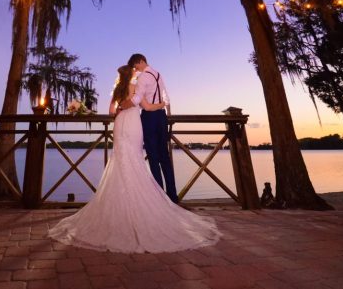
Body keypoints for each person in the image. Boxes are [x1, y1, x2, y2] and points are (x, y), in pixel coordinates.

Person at [47, 64, 221, 253]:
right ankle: (146, 205)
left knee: (121, 161)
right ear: (130, 74)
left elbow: (112, 111)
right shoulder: (134, 87)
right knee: (135, 160)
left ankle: (120, 207)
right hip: (133, 124)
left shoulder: (116, 90)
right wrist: (162, 104)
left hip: (121, 123)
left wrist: (121, 108)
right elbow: (144, 105)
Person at [121, 53, 178, 203]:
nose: (135, 69)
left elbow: (138, 98)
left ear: (141, 61)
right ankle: (173, 196)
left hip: (150, 117)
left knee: (153, 157)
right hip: (162, 117)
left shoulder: (143, 77)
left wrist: (125, 105)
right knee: (164, 157)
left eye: (135, 66)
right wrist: (167, 114)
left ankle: (160, 198)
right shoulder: (158, 74)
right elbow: (166, 97)